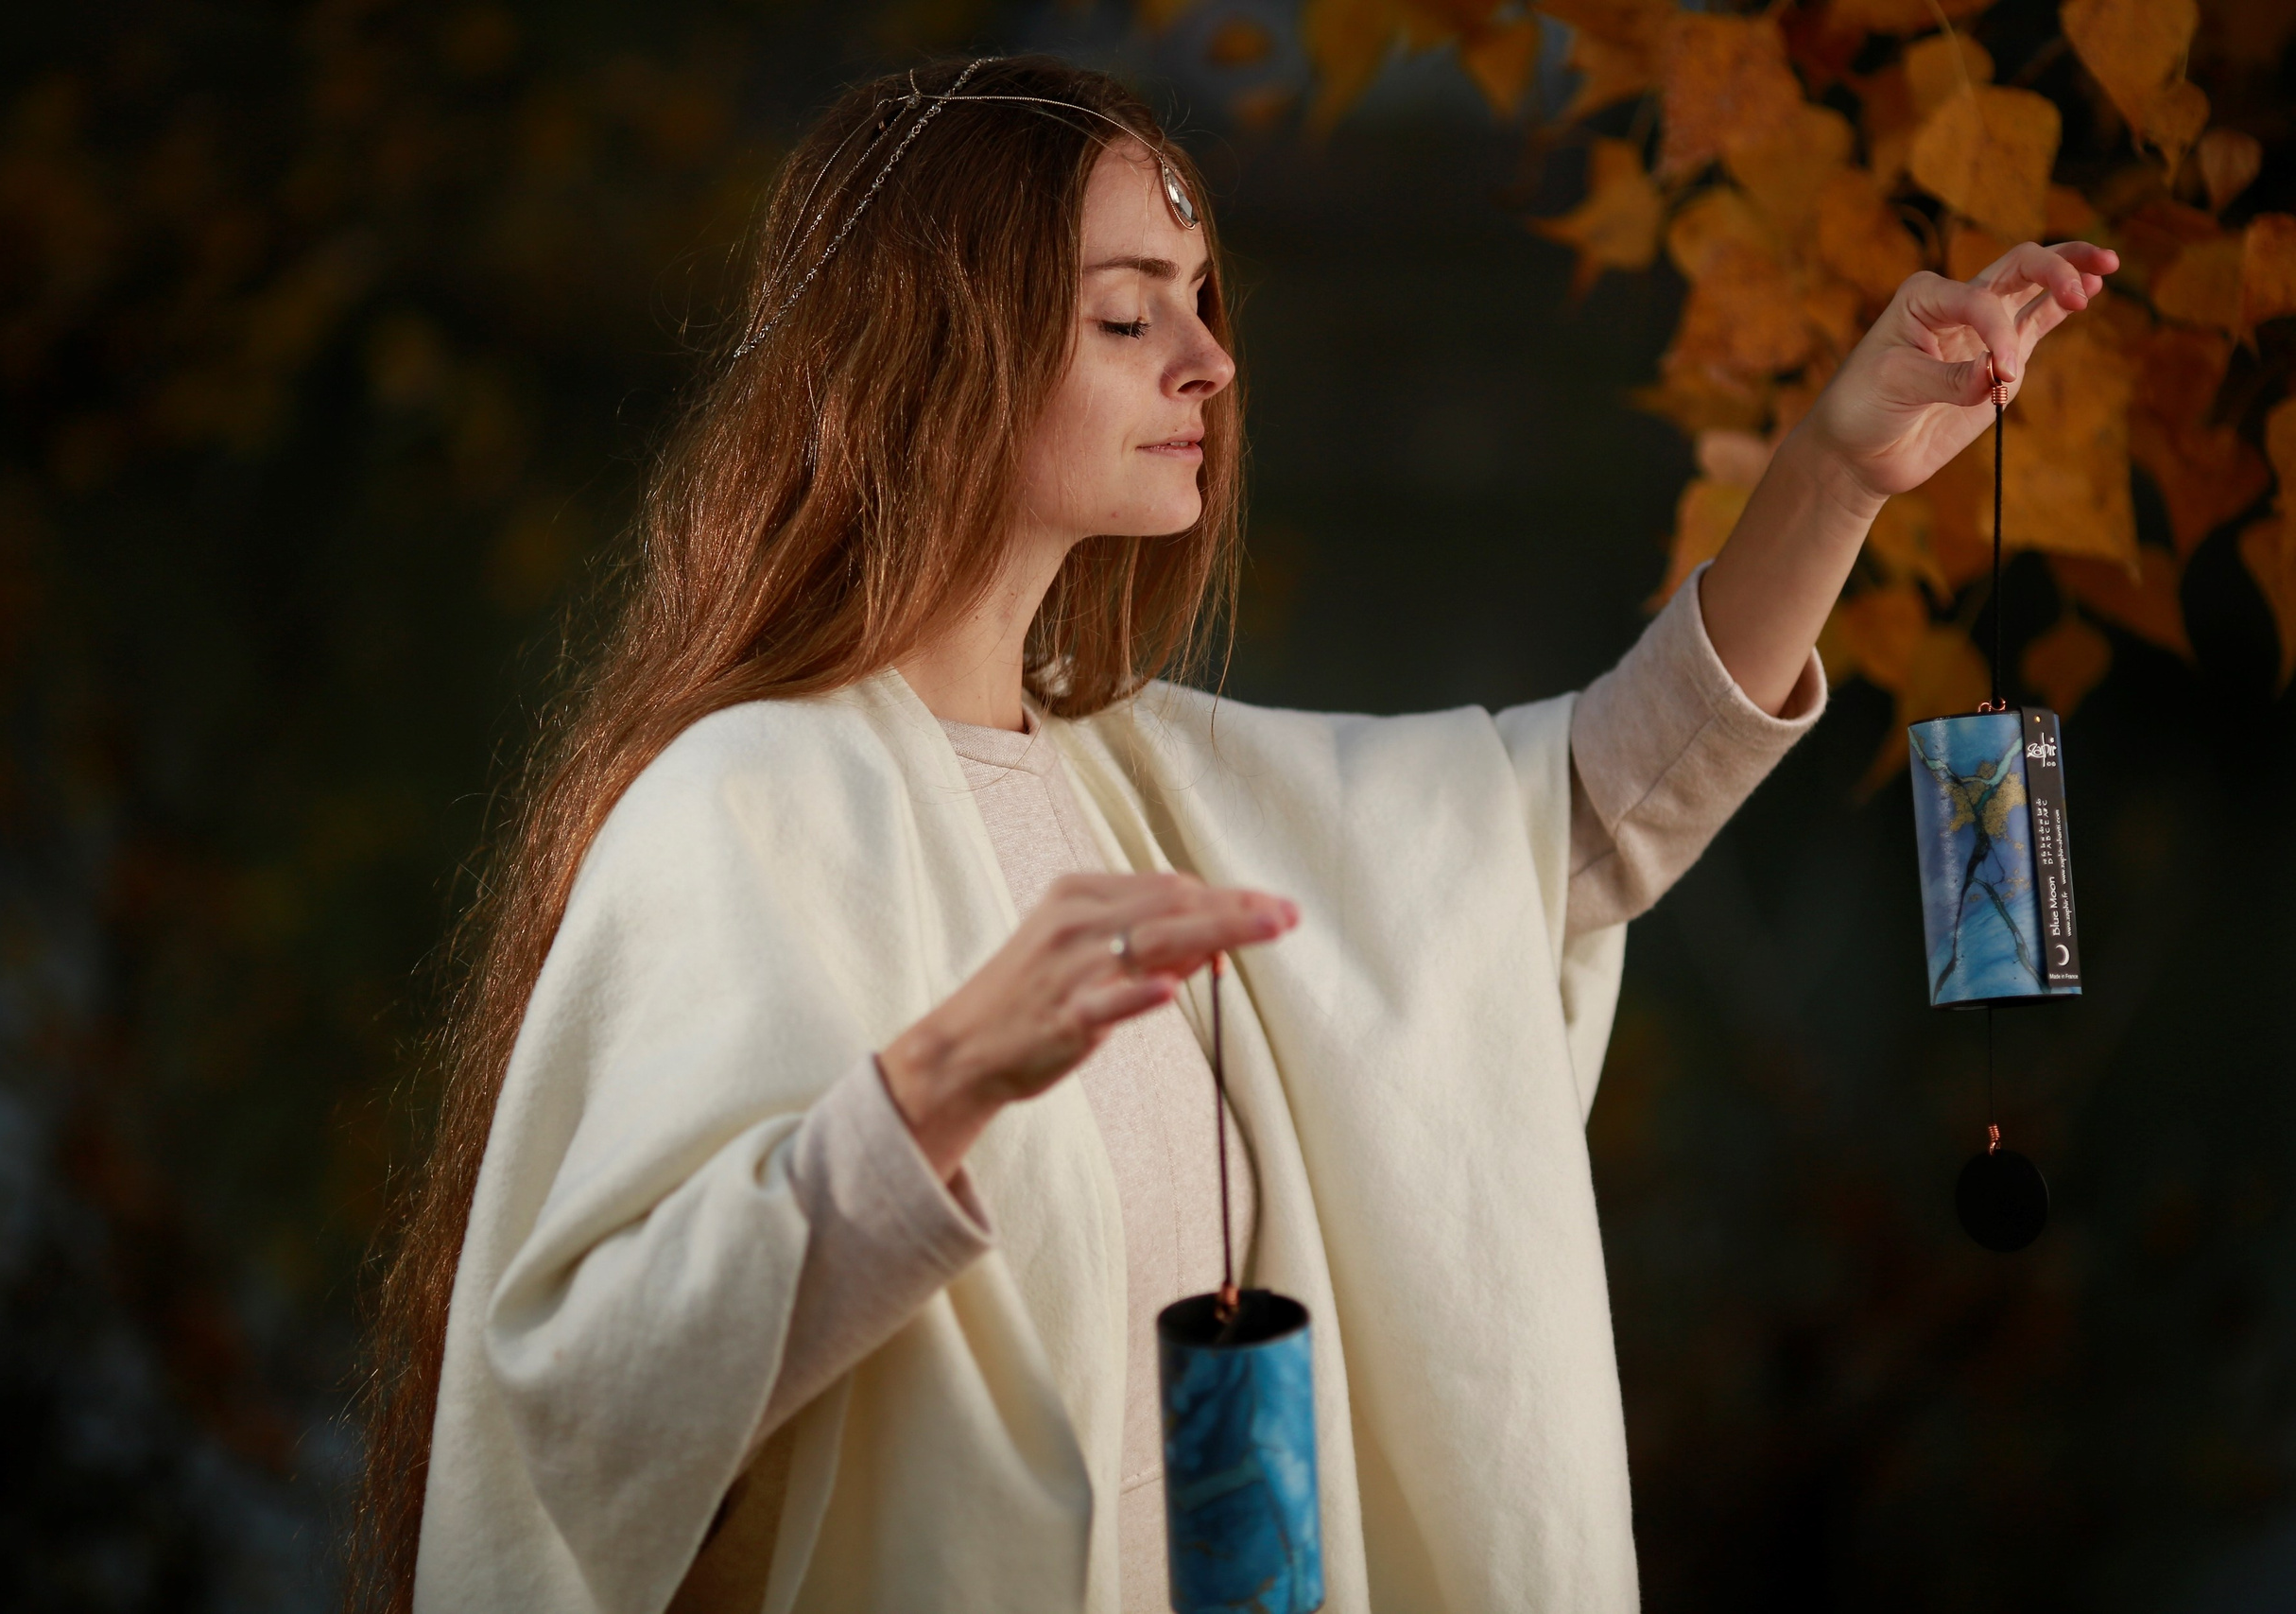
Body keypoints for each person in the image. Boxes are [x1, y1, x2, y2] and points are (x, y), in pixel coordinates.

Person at [348, 52, 2118, 1614]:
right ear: (940, 349)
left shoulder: (1147, 788)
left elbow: (1574, 824)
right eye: (1131, 316)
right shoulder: (745, 808)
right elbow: (585, 1396)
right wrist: (939, 1083)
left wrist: (1833, 473)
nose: (1208, 361)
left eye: (1203, 303)